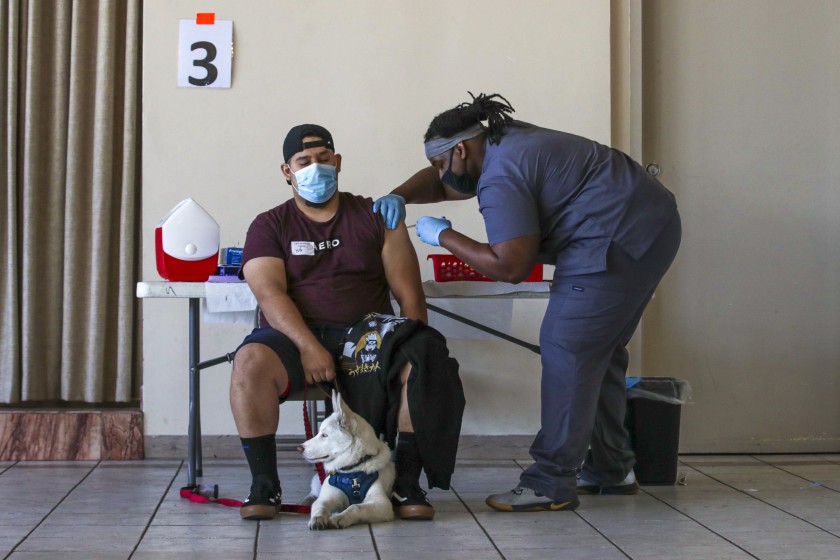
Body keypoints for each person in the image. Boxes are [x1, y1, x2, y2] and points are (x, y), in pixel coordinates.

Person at [374, 93, 681, 512]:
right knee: (599, 352)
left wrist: (443, 236)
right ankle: (611, 468)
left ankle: (550, 482)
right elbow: (446, 180)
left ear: (460, 149)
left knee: (566, 347)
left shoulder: (502, 175)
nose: (438, 174)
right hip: (648, 224)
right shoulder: (501, 141)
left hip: (616, 239)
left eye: (439, 163)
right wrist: (399, 195)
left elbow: (509, 266)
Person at [231, 124, 463, 521]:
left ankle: (405, 484)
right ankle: (264, 487)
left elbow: (409, 297)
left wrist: (414, 341)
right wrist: (308, 346)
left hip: (367, 336)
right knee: (249, 360)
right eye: (304, 162)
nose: (315, 168)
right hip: (296, 336)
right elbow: (270, 294)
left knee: (423, 355)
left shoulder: (377, 217)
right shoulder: (270, 225)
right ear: (287, 171)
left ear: (337, 163)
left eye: (323, 159)